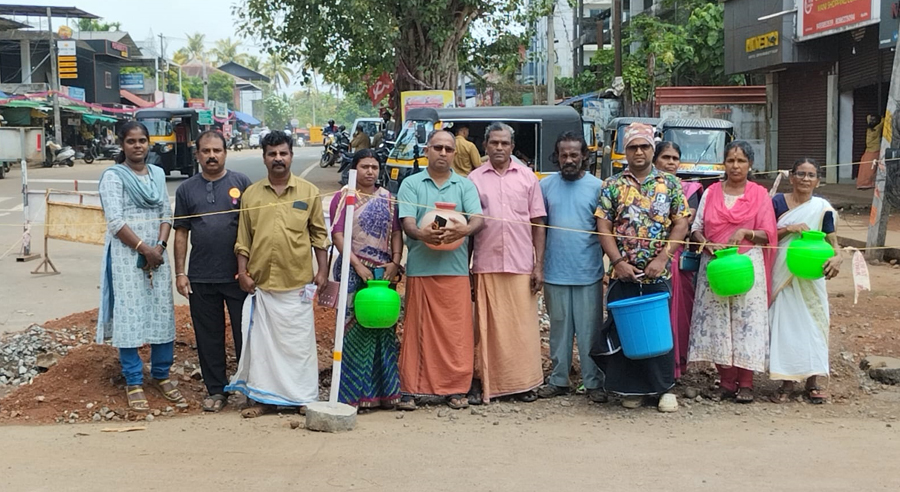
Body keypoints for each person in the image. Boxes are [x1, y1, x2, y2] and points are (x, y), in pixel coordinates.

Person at [225, 130, 329, 418]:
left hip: (297, 284)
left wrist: (323, 271)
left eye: (283, 153)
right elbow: (243, 238)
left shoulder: (308, 192)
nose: (278, 159)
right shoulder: (252, 194)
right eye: (272, 154)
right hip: (261, 285)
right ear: (264, 158)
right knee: (262, 348)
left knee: (298, 346)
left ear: (291, 156)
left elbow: (319, 235)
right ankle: (261, 399)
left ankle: (301, 397)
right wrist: (242, 272)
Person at [592, 122, 689, 413]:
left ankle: (664, 389)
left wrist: (663, 259)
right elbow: (603, 225)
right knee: (627, 330)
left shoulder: (670, 184)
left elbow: (681, 222)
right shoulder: (612, 185)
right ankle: (630, 389)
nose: (638, 152)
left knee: (658, 331)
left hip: (658, 273)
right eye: (633, 147)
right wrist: (618, 262)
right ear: (625, 150)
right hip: (624, 273)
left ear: (652, 149)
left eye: (644, 146)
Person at [97, 121, 184, 412]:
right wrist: (143, 248)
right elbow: (115, 221)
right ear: (122, 144)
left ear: (149, 143)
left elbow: (165, 212)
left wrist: (159, 247)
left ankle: (161, 374)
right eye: (131, 141)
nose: (138, 146)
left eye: (142, 140)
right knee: (129, 313)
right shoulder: (113, 177)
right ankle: (133, 380)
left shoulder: (158, 174)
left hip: (157, 256)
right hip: (126, 256)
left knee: (161, 311)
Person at [396, 130, 485, 411]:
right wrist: (423, 236)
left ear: (454, 154)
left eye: (448, 149)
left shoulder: (464, 186)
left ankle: (457, 388)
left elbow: (478, 219)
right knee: (416, 330)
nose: (443, 153)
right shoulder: (411, 184)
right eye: (438, 148)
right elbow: (407, 223)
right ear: (427, 151)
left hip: (456, 269)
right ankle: (411, 388)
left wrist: (465, 229)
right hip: (421, 269)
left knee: (457, 332)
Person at [688, 141, 777, 404]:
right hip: (714, 264)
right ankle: (726, 382)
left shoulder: (759, 195)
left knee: (745, 323)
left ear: (750, 165)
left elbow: (768, 234)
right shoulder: (711, 192)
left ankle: (747, 384)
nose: (735, 166)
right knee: (718, 323)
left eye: (741, 161)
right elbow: (696, 227)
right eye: (730, 160)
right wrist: (706, 242)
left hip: (747, 266)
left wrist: (746, 233)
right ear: (723, 164)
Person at [173, 130, 252, 412]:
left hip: (237, 276)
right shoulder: (186, 190)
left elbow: (252, 227)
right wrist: (180, 273)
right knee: (208, 337)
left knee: (246, 334)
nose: (211, 156)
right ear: (197, 155)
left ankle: (248, 388)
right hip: (201, 276)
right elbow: (181, 233)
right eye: (205, 151)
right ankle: (216, 390)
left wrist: (250, 269)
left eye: (216, 150)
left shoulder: (241, 183)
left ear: (225, 152)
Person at [468, 122, 546, 404]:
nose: (499, 148)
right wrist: (467, 267)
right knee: (486, 330)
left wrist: (538, 266)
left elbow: (538, 223)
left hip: (520, 264)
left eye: (504, 143)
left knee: (521, 328)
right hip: (486, 263)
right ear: (485, 146)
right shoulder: (474, 179)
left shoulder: (528, 178)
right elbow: (467, 228)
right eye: (494, 143)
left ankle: (522, 384)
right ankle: (483, 381)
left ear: (512, 147)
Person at [329, 149, 404, 410]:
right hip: (352, 269)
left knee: (382, 329)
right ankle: (351, 395)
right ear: (354, 168)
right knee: (352, 329)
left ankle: (383, 394)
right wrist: (358, 265)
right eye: (364, 166)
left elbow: (396, 231)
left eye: (374, 166)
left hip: (383, 273)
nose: (370, 171)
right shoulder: (342, 197)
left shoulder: (389, 199)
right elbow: (337, 235)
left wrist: (395, 261)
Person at [537, 132, 606, 403]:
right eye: (563, 155)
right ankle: (559, 379)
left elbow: (605, 231)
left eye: (574, 155)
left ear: (584, 157)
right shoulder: (544, 187)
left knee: (590, 331)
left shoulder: (599, 187)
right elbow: (539, 229)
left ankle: (593, 383)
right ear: (556, 157)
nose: (568, 160)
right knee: (559, 329)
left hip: (588, 272)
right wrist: (538, 266)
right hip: (555, 271)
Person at [769, 158, 841, 404]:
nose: (805, 179)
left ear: (818, 180)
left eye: (811, 175)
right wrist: (789, 228)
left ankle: (813, 380)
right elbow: (767, 234)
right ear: (792, 176)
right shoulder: (777, 202)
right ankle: (786, 381)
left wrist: (837, 258)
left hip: (811, 277)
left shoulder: (822, 207)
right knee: (785, 326)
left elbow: (833, 243)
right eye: (801, 174)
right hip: (783, 275)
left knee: (814, 325)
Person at [652, 141, 702, 379]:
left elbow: (687, 220)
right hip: (646, 256)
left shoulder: (690, 190)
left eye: (674, 158)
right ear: (655, 161)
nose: (671, 163)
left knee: (679, 311)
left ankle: (677, 366)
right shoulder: (644, 187)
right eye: (665, 158)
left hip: (677, 259)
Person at [856, 115, 883, 190]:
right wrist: (882, 117)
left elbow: (868, 117)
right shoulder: (876, 127)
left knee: (866, 168)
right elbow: (883, 120)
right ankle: (866, 183)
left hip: (870, 151)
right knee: (869, 168)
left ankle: (864, 183)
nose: (872, 121)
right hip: (872, 151)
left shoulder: (871, 128)